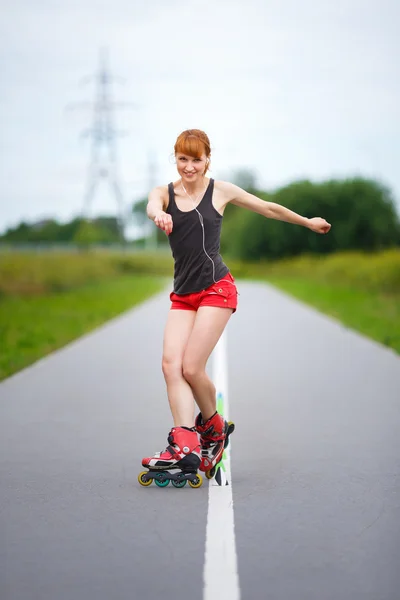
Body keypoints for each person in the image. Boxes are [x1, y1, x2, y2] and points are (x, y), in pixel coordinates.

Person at [141, 129, 331, 483]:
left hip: (217, 289)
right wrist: (158, 216)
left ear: (207, 159)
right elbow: (152, 205)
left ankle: (213, 431)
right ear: (176, 159)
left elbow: (268, 208)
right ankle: (185, 442)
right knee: (171, 365)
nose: (189, 166)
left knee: (192, 367)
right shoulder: (164, 194)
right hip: (183, 293)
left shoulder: (221, 191)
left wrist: (307, 222)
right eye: (183, 159)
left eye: (196, 159)